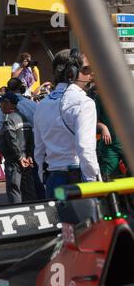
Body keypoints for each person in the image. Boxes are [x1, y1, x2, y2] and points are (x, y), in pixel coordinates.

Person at [34, 49, 100, 198]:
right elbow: (85, 147)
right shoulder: (84, 103)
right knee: (88, 222)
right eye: (86, 69)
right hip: (78, 179)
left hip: (53, 180)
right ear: (72, 72)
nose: (91, 74)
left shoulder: (41, 105)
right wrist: (93, 183)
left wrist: (43, 181)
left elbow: (38, 151)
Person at [0, 92, 37, 203]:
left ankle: (17, 212)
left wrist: (19, 157)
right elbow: (30, 138)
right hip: (25, 158)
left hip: (15, 159)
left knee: (14, 188)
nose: (0, 106)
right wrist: (28, 155)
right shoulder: (24, 117)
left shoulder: (9, 119)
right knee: (27, 188)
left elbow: (11, 140)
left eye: (2, 103)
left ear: (8, 103)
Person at [95, 93, 127, 180]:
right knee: (109, 178)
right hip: (109, 145)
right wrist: (103, 127)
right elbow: (94, 120)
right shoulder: (100, 97)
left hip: (129, 145)